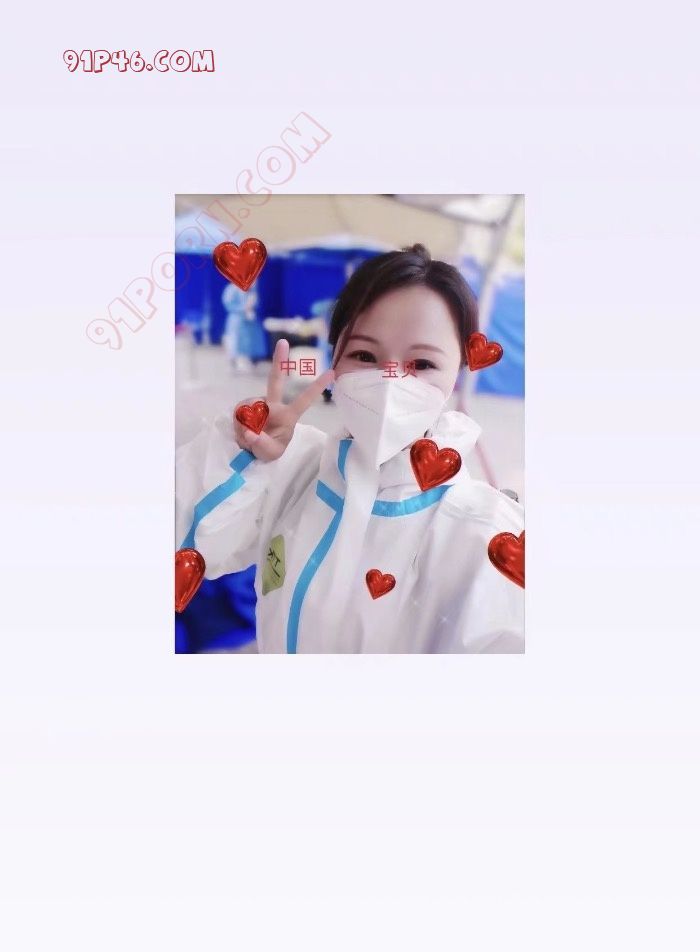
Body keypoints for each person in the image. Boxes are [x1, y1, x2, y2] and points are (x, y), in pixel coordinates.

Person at [176, 244, 524, 653]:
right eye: (364, 355)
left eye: (422, 364)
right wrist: (245, 455)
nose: (390, 382)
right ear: (334, 360)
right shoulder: (294, 471)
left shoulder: (483, 533)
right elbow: (186, 536)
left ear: (460, 368)